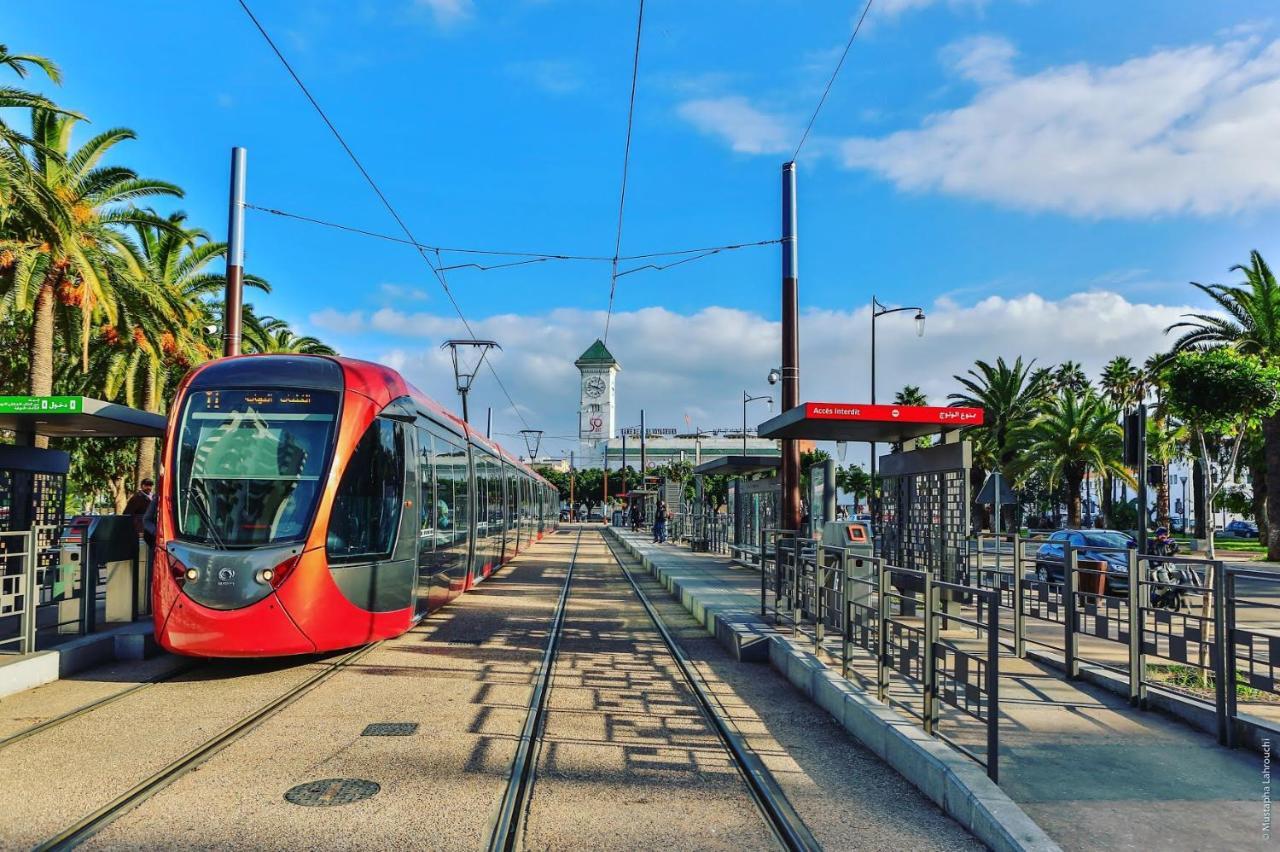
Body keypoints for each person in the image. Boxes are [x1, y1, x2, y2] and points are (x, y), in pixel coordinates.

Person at [123, 478, 156, 549]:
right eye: (146, 485)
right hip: (141, 530)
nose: (149, 487)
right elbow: (127, 513)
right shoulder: (136, 498)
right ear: (142, 486)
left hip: (151, 529)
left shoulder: (154, 497)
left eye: (150, 485)